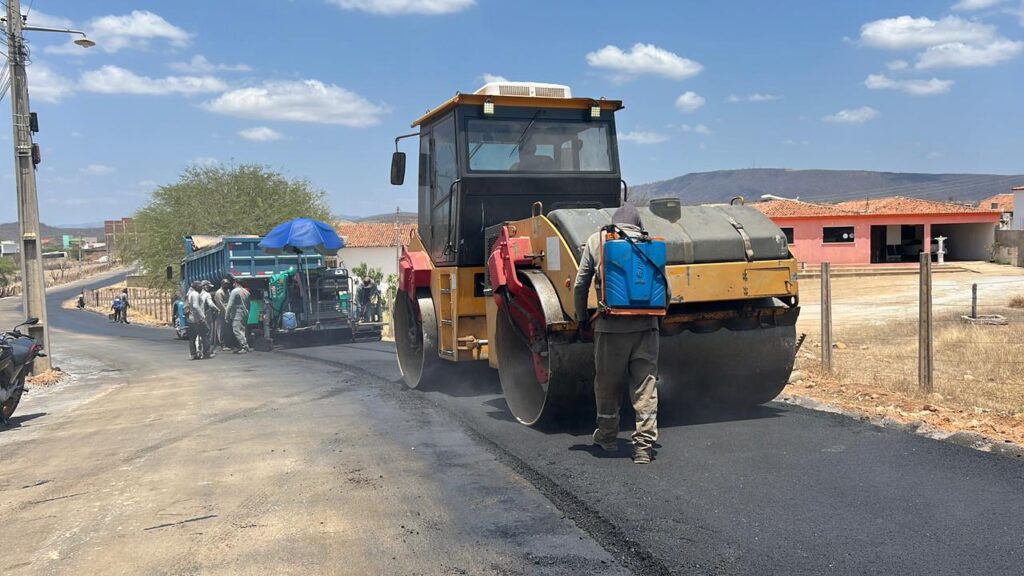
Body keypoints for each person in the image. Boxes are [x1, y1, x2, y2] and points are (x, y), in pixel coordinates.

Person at [573, 204, 665, 465]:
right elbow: (664, 288)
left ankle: (607, 438)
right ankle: (644, 447)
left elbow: (581, 284)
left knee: (607, 385)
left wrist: (582, 318)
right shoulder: (649, 242)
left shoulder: (598, 240)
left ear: (614, 222)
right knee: (646, 387)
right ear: (637, 224)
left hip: (610, 328)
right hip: (647, 328)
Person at [185, 281, 211, 359]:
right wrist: (202, 317)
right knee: (205, 334)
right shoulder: (195, 294)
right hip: (198, 319)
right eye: (199, 286)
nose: (201, 287)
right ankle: (206, 353)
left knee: (192, 337)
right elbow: (196, 306)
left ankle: (193, 354)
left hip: (191, 319)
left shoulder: (189, 294)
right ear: (195, 287)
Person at [226, 278, 251, 353]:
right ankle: (243, 346)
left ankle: (244, 346)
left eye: (233, 283)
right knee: (243, 330)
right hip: (245, 313)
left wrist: (226, 315)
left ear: (236, 283)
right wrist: (247, 312)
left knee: (236, 330)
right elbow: (249, 304)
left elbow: (230, 305)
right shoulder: (246, 291)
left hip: (237, 313)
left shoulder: (235, 291)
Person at [200, 280, 219, 357]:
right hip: (206, 316)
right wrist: (217, 309)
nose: (209, 288)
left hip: (197, 317)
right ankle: (206, 352)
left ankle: (198, 352)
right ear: (205, 286)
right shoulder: (207, 295)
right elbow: (211, 304)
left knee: (200, 335)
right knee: (207, 335)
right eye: (208, 286)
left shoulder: (197, 294)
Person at [214, 277, 232, 350]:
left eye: (228, 284)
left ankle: (226, 343)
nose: (227, 286)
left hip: (227, 313)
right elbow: (220, 304)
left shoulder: (227, 291)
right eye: (225, 284)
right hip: (222, 313)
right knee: (222, 329)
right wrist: (226, 313)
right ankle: (222, 344)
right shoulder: (219, 292)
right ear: (222, 284)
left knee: (226, 329)